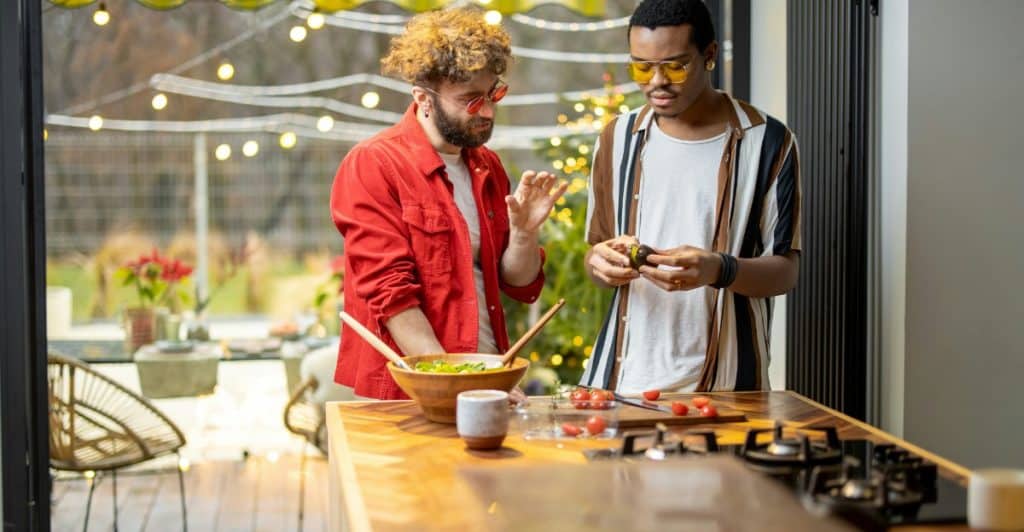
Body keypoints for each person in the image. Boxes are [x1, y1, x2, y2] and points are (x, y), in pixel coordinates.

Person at [330, 7, 567, 400]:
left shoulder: (486, 165)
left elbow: (518, 284)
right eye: (471, 101)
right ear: (424, 98)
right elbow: (392, 298)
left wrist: (525, 233)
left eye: (494, 94)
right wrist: (454, 387)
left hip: (483, 376)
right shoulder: (374, 163)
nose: (488, 112)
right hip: (412, 391)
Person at [581, 0, 802, 394]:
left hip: (727, 388)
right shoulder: (615, 139)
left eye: (675, 66)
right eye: (642, 67)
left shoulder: (769, 141)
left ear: (710, 55)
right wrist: (600, 262)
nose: (656, 82)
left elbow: (785, 271)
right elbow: (595, 252)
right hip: (620, 385)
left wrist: (719, 269)